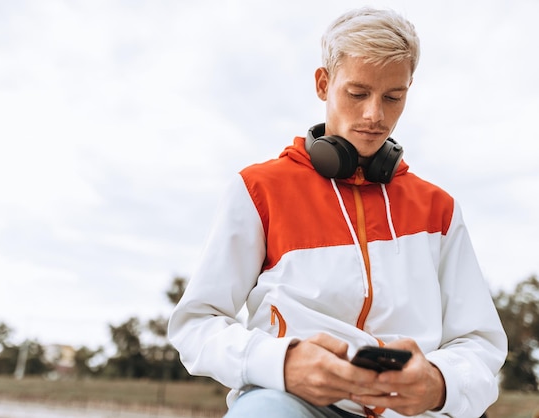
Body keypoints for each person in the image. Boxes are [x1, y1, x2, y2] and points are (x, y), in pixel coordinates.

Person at [168, 7, 507, 418]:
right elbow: (196, 324)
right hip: (291, 403)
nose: (374, 116)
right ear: (323, 83)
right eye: (358, 93)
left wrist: (439, 383)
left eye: (393, 97)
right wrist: (282, 363)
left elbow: (479, 343)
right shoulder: (258, 190)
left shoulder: (440, 210)